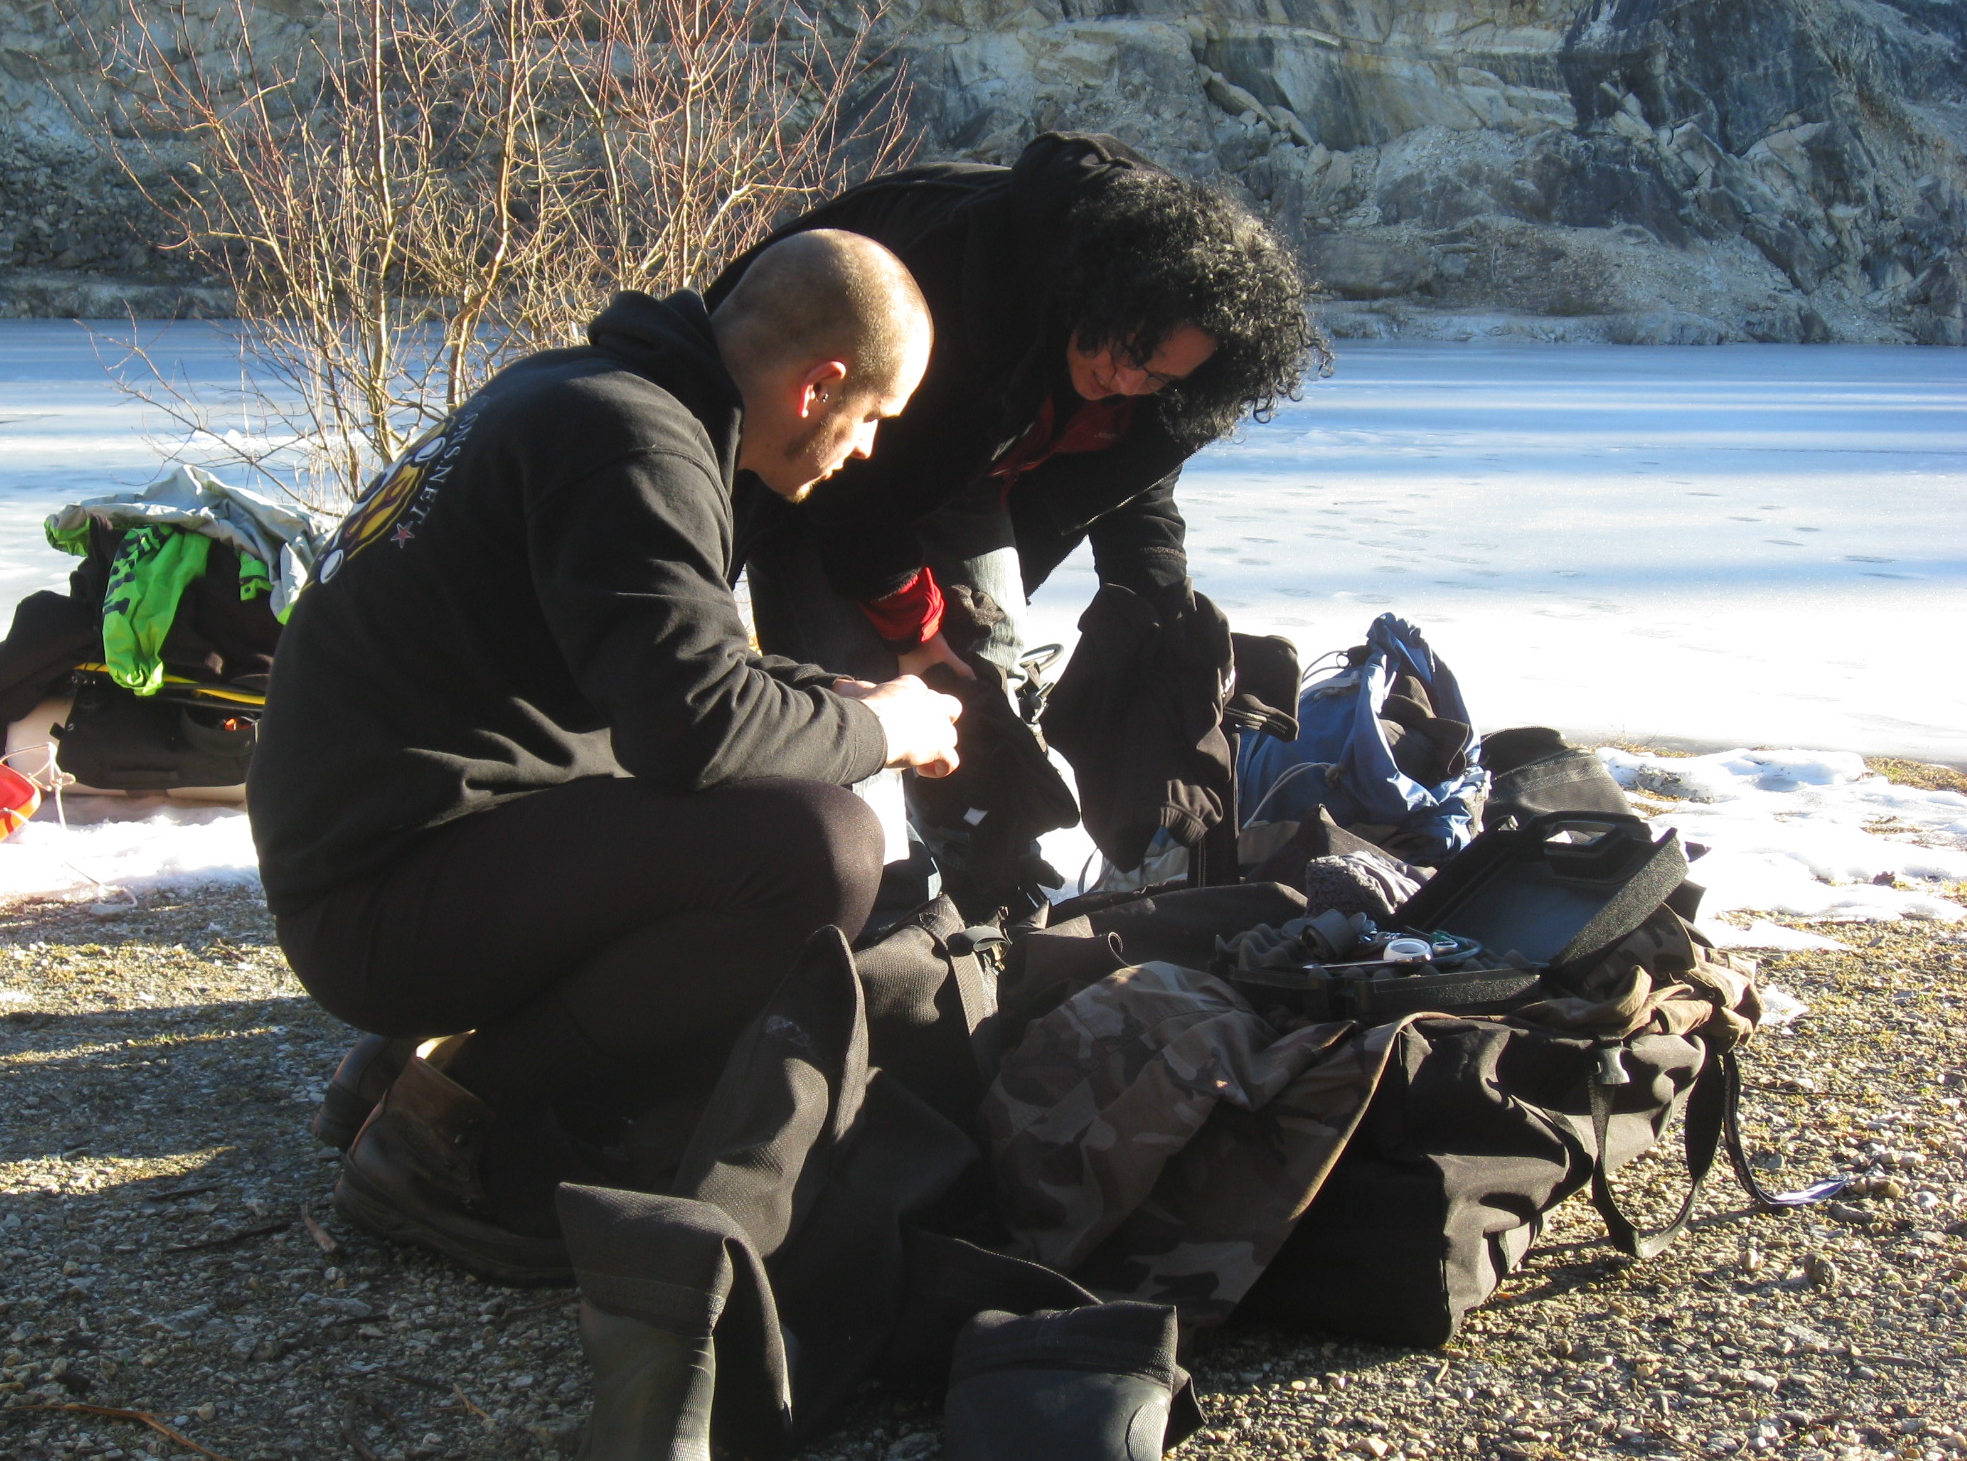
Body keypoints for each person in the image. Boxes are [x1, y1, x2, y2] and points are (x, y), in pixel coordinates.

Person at [246, 229, 960, 1283]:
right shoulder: (634, 443)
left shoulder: (587, 396)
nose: (864, 453)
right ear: (819, 387)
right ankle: (445, 1126)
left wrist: (840, 698)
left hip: (385, 857)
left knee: (772, 796)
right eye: (871, 422)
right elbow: (697, 729)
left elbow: (671, 668)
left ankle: (406, 1071)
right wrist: (886, 729)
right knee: (818, 851)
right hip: (378, 902)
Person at [703, 132, 1323, 895]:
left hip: (966, 467)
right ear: (1097, 289)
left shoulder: (1171, 368)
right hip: (816, 459)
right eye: (1124, 348)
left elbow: (1136, 478)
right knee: (851, 691)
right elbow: (849, 484)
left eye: (1155, 375)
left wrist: (1161, 609)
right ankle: (856, 897)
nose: (1125, 377)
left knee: (989, 673)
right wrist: (915, 634)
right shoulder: (969, 271)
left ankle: (988, 873)